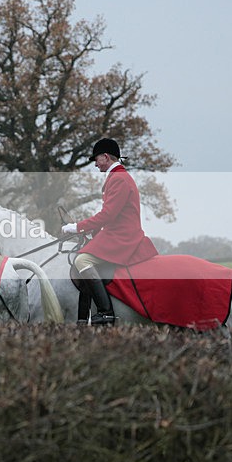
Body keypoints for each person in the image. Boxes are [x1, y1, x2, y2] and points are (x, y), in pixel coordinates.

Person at [61, 138, 158, 325]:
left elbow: (108, 214)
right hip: (115, 232)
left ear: (105, 157)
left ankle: (105, 312)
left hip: (122, 236)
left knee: (82, 260)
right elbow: (110, 214)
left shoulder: (119, 179)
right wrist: (90, 231)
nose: (95, 164)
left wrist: (76, 226)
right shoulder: (118, 177)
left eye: (96, 159)